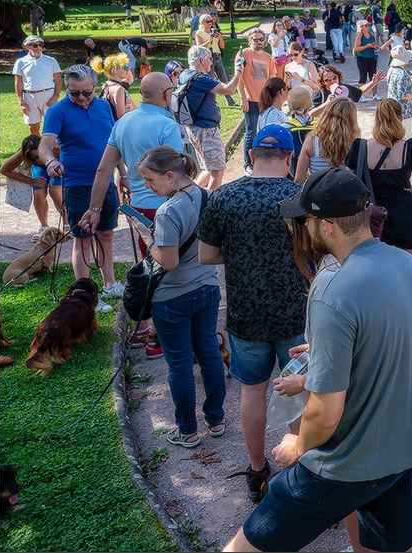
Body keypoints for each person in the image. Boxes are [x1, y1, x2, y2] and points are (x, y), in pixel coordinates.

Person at [224, 168, 412, 553]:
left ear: (326, 226)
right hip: (400, 453)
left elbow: (324, 414)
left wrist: (299, 444)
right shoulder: (408, 266)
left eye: (303, 221)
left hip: (346, 463)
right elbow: (386, 348)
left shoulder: (331, 291)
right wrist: (325, 353)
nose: (299, 230)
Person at [197, 124, 309, 502]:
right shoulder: (300, 197)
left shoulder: (223, 197)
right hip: (296, 313)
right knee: (301, 390)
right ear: (290, 158)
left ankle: (257, 469)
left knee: (252, 391)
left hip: (246, 313)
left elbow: (207, 255)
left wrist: (244, 255)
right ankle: (303, 466)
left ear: (249, 156)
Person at [130, 147, 224, 450]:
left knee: (180, 364)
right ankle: (216, 418)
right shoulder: (205, 195)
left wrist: (148, 239)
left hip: (173, 297)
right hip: (207, 289)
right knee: (209, 353)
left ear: (170, 176)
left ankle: (187, 430)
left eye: (150, 179)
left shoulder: (167, 212)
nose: (147, 185)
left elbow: (167, 261)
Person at [82, 71, 185, 346]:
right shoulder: (167, 125)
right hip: (168, 206)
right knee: (173, 270)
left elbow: (104, 168)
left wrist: (94, 207)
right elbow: (176, 173)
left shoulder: (124, 122)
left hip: (139, 207)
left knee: (148, 266)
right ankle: (159, 336)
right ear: (166, 95)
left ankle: (141, 328)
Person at [38, 64, 122, 312]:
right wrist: (51, 161)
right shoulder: (58, 110)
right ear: (67, 88)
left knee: (106, 234)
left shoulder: (104, 106)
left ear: (95, 86)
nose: (82, 98)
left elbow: (114, 143)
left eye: (87, 92)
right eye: (75, 93)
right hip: (77, 183)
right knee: (83, 239)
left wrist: (124, 174)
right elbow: (45, 146)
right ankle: (85, 294)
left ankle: (109, 283)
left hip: (106, 181)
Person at [351, 99, 412, 257]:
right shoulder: (410, 148)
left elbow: (350, 182)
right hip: (404, 212)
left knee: (375, 264)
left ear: (377, 119)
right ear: (400, 119)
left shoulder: (360, 148)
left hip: (372, 214)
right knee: (408, 267)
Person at [177, 46, 243, 191]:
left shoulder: (185, 75)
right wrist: (239, 70)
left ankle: (188, 195)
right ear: (202, 60)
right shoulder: (201, 79)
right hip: (206, 130)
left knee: (208, 169)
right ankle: (209, 205)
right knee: (217, 170)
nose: (211, 63)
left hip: (194, 128)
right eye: (210, 59)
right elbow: (229, 90)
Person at [0, 134, 67, 239]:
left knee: (55, 190)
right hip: (40, 169)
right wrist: (31, 181)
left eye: (38, 156)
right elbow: (4, 170)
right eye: (33, 158)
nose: (38, 160)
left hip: (55, 164)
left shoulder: (54, 147)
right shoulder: (23, 154)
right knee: (38, 192)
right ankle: (44, 226)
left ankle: (67, 223)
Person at [295, 97, 359, 183]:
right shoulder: (355, 144)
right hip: (345, 192)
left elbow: (299, 179)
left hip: (317, 193)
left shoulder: (312, 141)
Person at [13, 35, 62, 135]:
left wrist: (55, 96)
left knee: (53, 125)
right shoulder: (20, 62)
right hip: (29, 97)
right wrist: (21, 102)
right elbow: (18, 83)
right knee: (33, 127)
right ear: (27, 47)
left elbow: (58, 80)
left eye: (41, 45)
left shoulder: (51, 61)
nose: (39, 47)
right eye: (35, 45)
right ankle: (37, 149)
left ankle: (55, 149)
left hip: (48, 95)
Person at [238, 31, 275, 165]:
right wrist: (243, 98)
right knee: (251, 132)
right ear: (250, 41)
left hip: (265, 101)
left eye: (261, 39)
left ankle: (263, 160)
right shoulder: (244, 55)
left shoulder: (269, 57)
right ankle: (248, 163)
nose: (259, 42)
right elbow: (239, 79)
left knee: (266, 131)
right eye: (255, 39)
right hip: (250, 101)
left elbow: (271, 80)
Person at [96, 52, 135, 121]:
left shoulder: (108, 84)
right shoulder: (118, 89)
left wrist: (127, 68)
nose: (127, 70)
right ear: (114, 70)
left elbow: (131, 79)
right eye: (124, 67)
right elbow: (121, 115)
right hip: (125, 125)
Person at [384, 45, 412, 125]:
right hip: (403, 111)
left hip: (393, 107)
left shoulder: (391, 70)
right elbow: (403, 94)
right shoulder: (402, 74)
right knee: (406, 135)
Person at [352, 19, 379, 93]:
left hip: (372, 58)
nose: (368, 27)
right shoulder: (359, 36)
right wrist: (367, 46)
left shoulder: (372, 35)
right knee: (363, 77)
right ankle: (361, 94)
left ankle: (375, 94)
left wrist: (375, 47)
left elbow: (376, 45)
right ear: (362, 27)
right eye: (366, 25)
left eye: (369, 25)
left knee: (373, 77)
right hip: (362, 58)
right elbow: (356, 48)